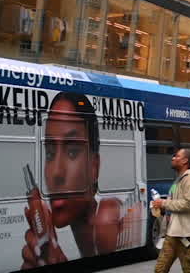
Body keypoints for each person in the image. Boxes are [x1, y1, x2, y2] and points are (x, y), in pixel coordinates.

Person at [21, 92, 127, 269]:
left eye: (72, 152)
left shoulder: (108, 220)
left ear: (94, 167)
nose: (56, 173)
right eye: (49, 154)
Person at [152, 148, 190, 273]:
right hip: (173, 232)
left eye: (177, 156)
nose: (173, 158)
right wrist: (161, 206)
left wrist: (164, 203)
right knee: (160, 269)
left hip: (187, 234)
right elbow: (172, 200)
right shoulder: (178, 180)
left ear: (185, 161)